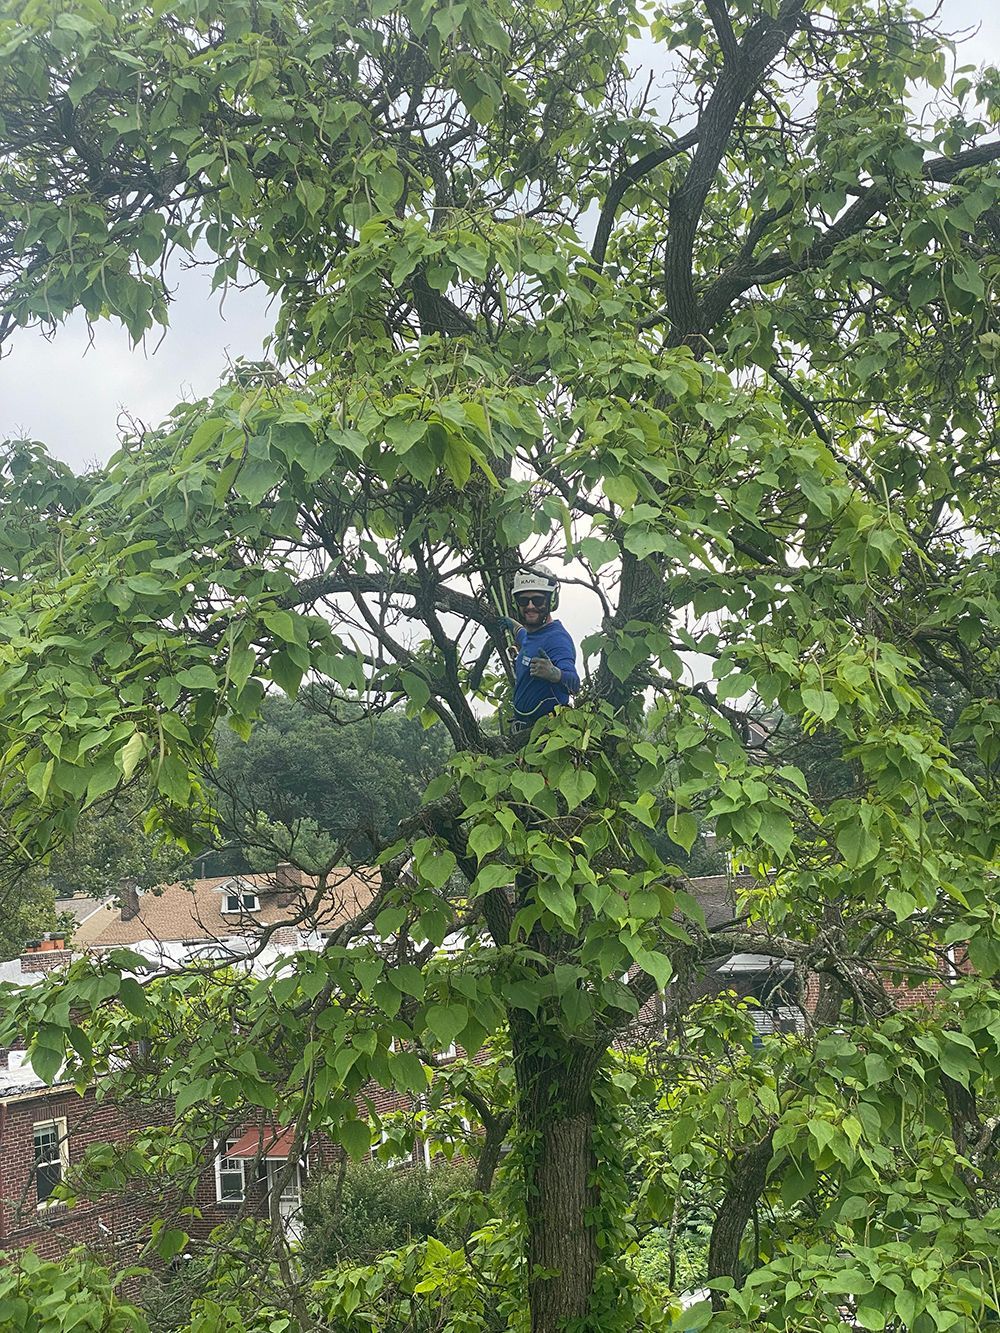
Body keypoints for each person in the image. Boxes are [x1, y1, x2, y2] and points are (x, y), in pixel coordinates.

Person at [509, 566, 580, 738]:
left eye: (538, 600)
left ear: (551, 600)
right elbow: (523, 636)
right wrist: (510, 624)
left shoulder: (557, 639)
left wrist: (554, 674)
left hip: (546, 736)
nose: (530, 606)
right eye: (523, 601)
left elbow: (575, 685)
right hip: (522, 733)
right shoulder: (533, 635)